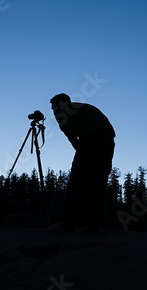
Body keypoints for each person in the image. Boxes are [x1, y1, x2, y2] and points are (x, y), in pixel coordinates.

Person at [49, 93, 115, 232]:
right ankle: (93, 226)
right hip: (107, 142)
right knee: (98, 183)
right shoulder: (84, 107)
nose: (54, 111)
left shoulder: (63, 110)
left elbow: (70, 134)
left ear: (61, 103)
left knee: (77, 184)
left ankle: (67, 225)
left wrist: (81, 151)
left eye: (54, 107)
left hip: (91, 141)